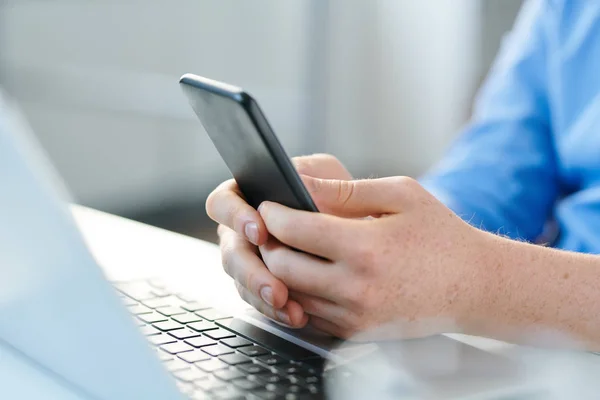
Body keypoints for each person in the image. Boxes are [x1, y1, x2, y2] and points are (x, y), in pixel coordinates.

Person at [205, 0, 600, 350]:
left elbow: (479, 276)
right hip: (540, 354)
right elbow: (491, 176)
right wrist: (371, 234)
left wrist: (479, 280)